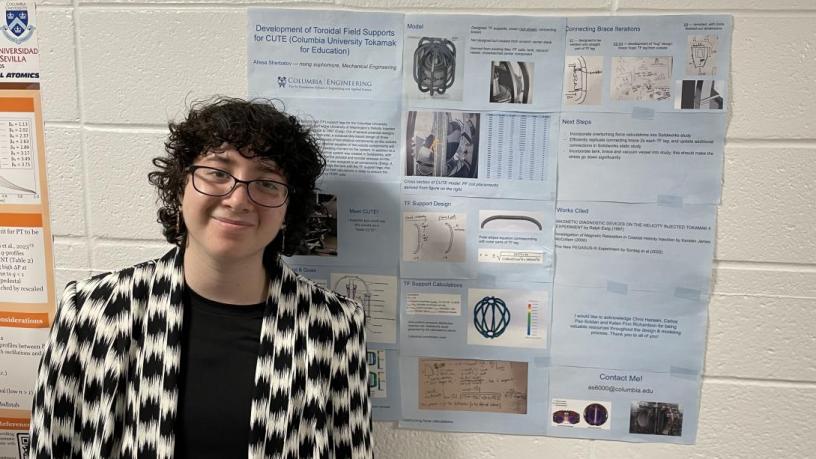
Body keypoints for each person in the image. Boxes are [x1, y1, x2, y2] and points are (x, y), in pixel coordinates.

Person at [29, 97, 372, 458]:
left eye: (267, 182)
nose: (238, 199)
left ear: (288, 210)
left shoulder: (334, 326)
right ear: (181, 186)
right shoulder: (92, 312)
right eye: (218, 172)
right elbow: (52, 446)